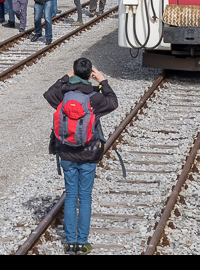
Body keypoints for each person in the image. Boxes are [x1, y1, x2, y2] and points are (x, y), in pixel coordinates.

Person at [44, 57, 119, 255]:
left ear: (75, 73)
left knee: (70, 197)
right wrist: (102, 80)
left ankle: (70, 242)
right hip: (89, 154)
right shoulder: (95, 96)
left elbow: (48, 93)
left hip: (67, 153)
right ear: (90, 75)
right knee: (84, 197)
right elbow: (113, 102)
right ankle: (82, 242)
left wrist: (67, 76)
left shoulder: (64, 93)